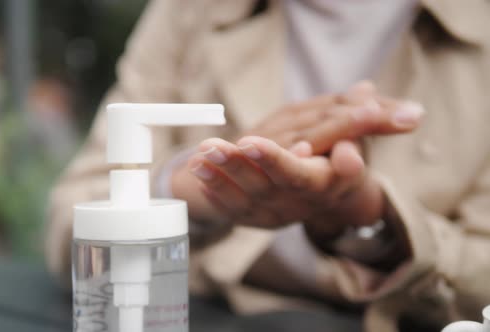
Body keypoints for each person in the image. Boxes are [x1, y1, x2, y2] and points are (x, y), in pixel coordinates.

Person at [46, 1, 490, 331]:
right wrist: (185, 189)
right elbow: (68, 220)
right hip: (211, 312)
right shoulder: (191, 11)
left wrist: (368, 224)